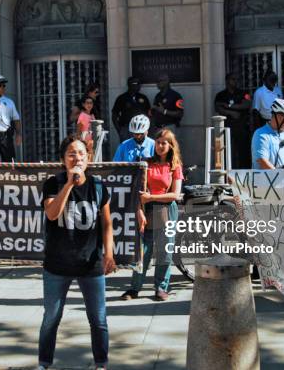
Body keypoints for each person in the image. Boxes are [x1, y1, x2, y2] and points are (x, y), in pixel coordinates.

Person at [39, 135, 115, 370]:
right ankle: (44, 363)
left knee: (98, 319)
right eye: (71, 153)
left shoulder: (98, 187)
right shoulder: (53, 183)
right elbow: (51, 214)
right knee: (51, 318)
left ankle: (101, 364)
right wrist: (70, 184)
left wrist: (109, 253)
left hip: (89, 264)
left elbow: (107, 223)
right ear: (63, 159)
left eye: (81, 153)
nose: (77, 158)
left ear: (88, 158)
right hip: (57, 265)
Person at [120, 128, 183, 302]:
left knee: (165, 252)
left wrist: (151, 197)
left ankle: (161, 288)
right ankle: (134, 288)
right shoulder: (145, 163)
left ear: (171, 146)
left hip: (167, 211)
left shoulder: (174, 166)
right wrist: (139, 210)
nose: (160, 146)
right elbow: (138, 192)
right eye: (158, 142)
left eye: (164, 143)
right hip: (146, 210)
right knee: (143, 252)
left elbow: (175, 195)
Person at [214, 73, 252, 168]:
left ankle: (243, 172)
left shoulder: (243, 93)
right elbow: (218, 107)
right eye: (233, 79)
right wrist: (231, 113)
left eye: (236, 79)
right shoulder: (220, 95)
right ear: (227, 81)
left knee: (243, 151)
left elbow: (246, 104)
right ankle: (226, 173)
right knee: (226, 151)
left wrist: (228, 106)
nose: (235, 81)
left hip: (241, 127)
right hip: (226, 127)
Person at [251, 99, 284, 169]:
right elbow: (262, 161)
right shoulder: (261, 134)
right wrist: (279, 178)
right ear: (279, 116)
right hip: (266, 179)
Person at [111, 77, 150, 142]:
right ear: (130, 85)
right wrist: (119, 130)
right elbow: (114, 115)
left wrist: (146, 128)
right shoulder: (122, 98)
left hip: (141, 129)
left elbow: (149, 114)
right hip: (126, 129)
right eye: (136, 83)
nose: (139, 86)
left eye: (139, 84)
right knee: (126, 150)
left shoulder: (143, 98)